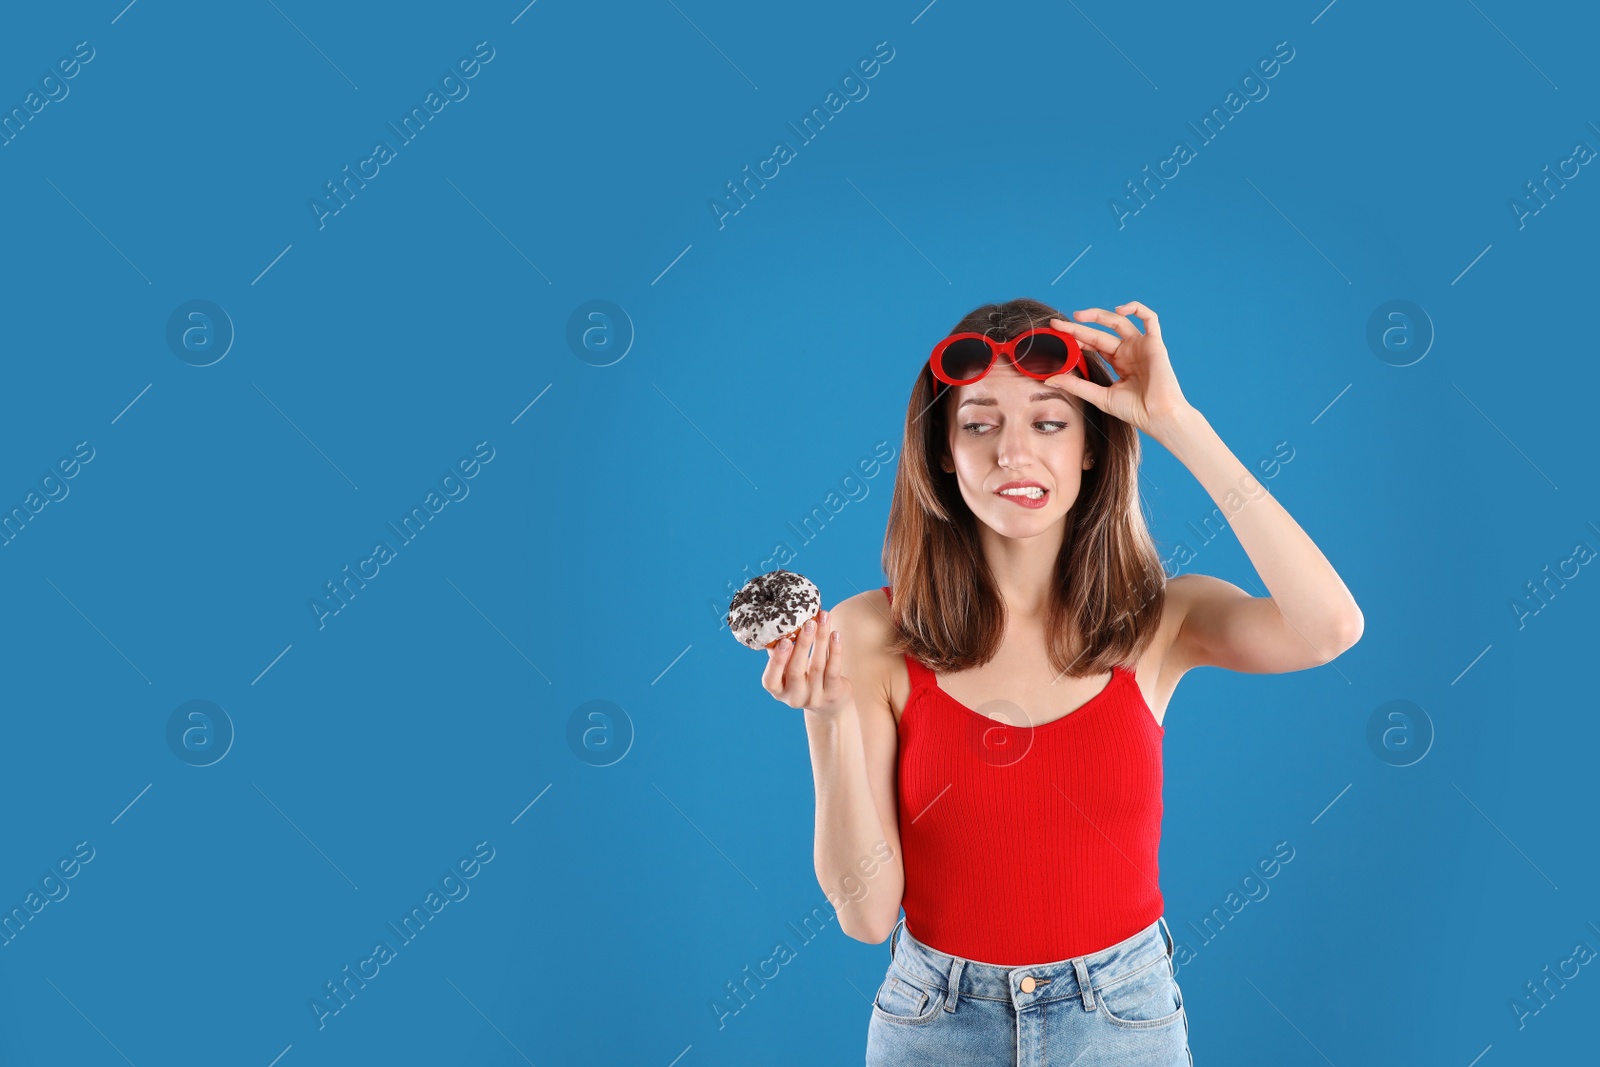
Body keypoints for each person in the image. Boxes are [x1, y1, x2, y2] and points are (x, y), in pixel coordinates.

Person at [760, 297, 1363, 1065]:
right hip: (936, 1022)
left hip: (1121, 1019)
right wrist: (830, 714)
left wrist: (1176, 422)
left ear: (1091, 445)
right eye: (980, 423)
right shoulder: (869, 634)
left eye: (1049, 421)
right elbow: (867, 914)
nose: (1015, 453)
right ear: (943, 451)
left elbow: (1329, 628)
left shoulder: (1161, 621)